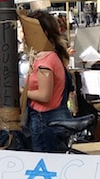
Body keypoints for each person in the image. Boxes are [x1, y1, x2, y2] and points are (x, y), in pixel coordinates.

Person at [22, 10, 75, 152]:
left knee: (47, 166)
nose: (23, 36)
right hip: (50, 119)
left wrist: (22, 91)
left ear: (42, 33)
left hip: (46, 121)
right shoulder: (50, 55)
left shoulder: (45, 59)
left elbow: (44, 95)